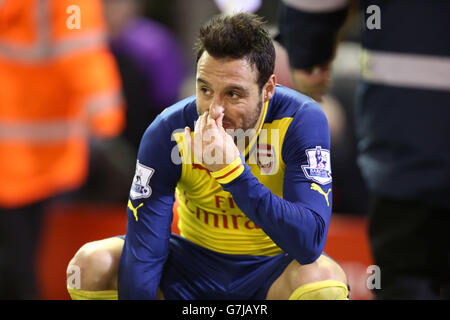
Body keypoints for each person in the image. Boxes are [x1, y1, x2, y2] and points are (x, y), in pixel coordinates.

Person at [66, 12, 348, 300]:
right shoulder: (169, 130)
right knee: (92, 263)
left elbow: (309, 243)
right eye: (205, 89)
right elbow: (145, 251)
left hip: (270, 274)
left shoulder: (300, 120)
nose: (215, 110)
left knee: (323, 284)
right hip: (191, 270)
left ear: (268, 90)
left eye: (233, 94)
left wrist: (233, 175)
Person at [278, 0, 450, 299]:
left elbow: (311, 7)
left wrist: (307, 55)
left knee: (409, 282)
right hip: (406, 159)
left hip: (409, 160)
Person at [0, 0, 125, 299]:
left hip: (13, 145)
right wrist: (108, 118)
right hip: (40, 151)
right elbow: (80, 52)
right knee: (29, 264)